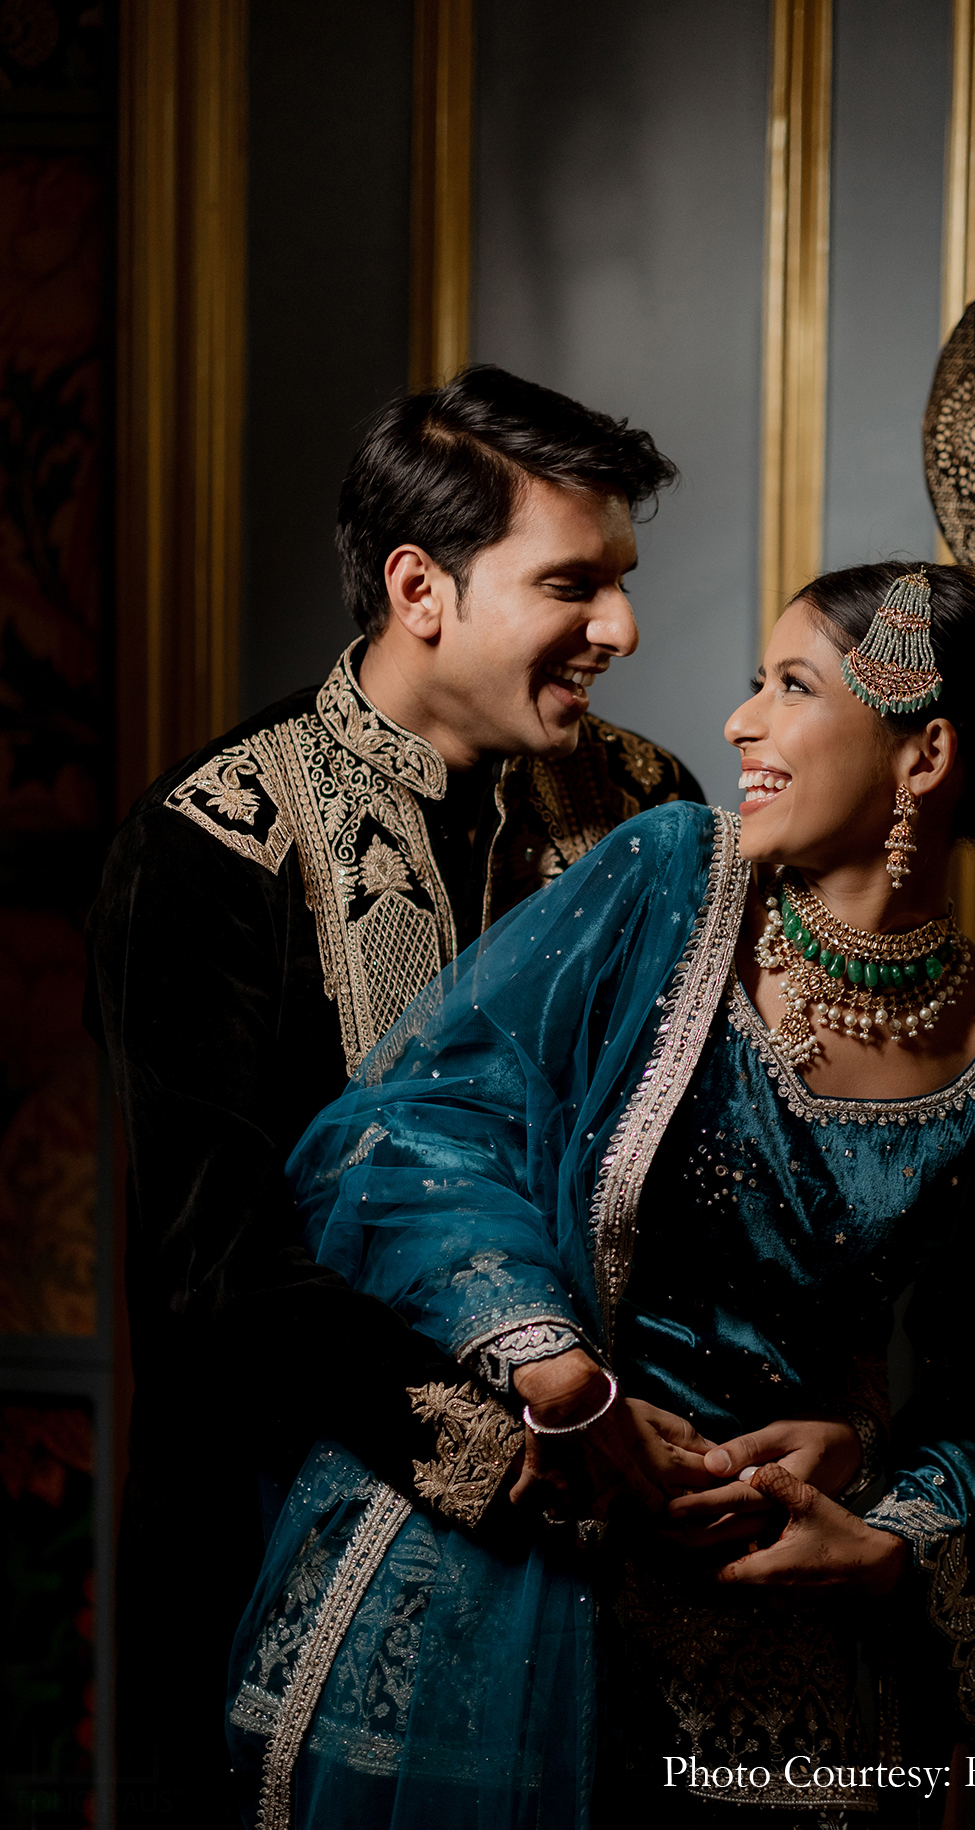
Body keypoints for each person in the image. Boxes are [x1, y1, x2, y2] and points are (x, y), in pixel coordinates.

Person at [225, 562, 975, 1829]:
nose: (739, 722)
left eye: (791, 686)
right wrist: (554, 1369)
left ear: (925, 754)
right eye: (754, 682)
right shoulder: (666, 880)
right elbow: (420, 1128)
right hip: (523, 1561)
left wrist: (884, 1533)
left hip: (776, 1614)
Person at [86, 366, 703, 1828]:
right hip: (273, 1552)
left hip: (622, 1572)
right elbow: (218, 1272)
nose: (622, 628)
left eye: (620, 581)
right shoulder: (212, 844)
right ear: (421, 587)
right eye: (573, 584)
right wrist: (520, 1451)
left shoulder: (653, 812)